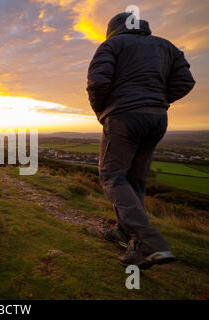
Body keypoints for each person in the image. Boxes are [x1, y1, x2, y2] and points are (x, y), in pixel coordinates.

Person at [86, 12, 195, 269]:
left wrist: (103, 111)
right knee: (134, 180)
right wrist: (158, 98)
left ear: (112, 29)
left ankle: (149, 241)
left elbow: (97, 82)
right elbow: (186, 81)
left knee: (112, 176)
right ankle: (129, 239)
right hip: (156, 119)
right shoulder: (166, 46)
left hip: (124, 117)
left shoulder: (112, 45)